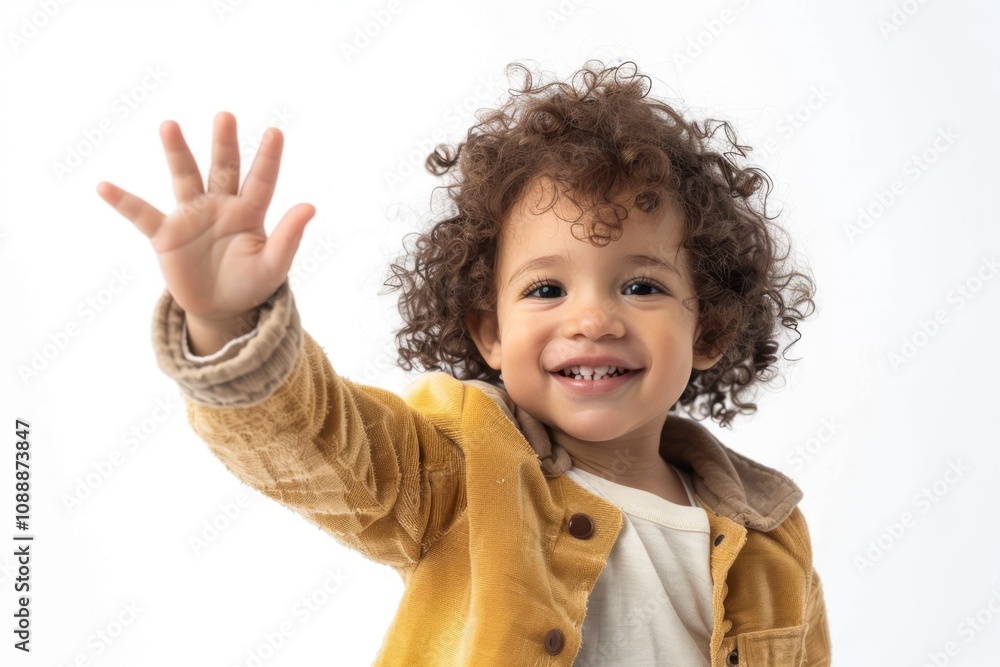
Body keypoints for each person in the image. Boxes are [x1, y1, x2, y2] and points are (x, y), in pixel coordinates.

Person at [97, 60, 831, 666]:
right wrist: (227, 322)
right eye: (545, 289)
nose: (592, 319)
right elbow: (316, 444)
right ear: (489, 333)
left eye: (641, 286)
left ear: (710, 328)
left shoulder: (769, 533)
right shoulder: (459, 470)